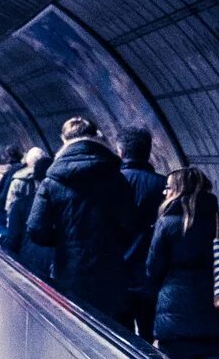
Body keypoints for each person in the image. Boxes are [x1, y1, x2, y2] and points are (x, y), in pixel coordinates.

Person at [25, 117, 141, 327]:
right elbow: (130, 224)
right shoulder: (116, 178)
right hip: (111, 274)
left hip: (69, 271)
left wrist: (63, 239)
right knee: (114, 338)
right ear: (96, 137)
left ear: (63, 140)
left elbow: (35, 230)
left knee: (74, 332)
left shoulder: (51, 181)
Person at [144, 167, 219, 359]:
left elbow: (153, 269)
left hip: (175, 318)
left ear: (178, 190)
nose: (164, 193)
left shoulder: (166, 224)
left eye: (168, 188)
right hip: (214, 310)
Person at [0, 147, 49, 268]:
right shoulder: (67, 202)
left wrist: (3, 241)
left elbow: (14, 238)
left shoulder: (21, 202)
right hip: (56, 265)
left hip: (29, 258)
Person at [120, 129, 167, 227]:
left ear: (121, 152)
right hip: (150, 240)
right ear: (149, 152)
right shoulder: (164, 183)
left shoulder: (108, 179)